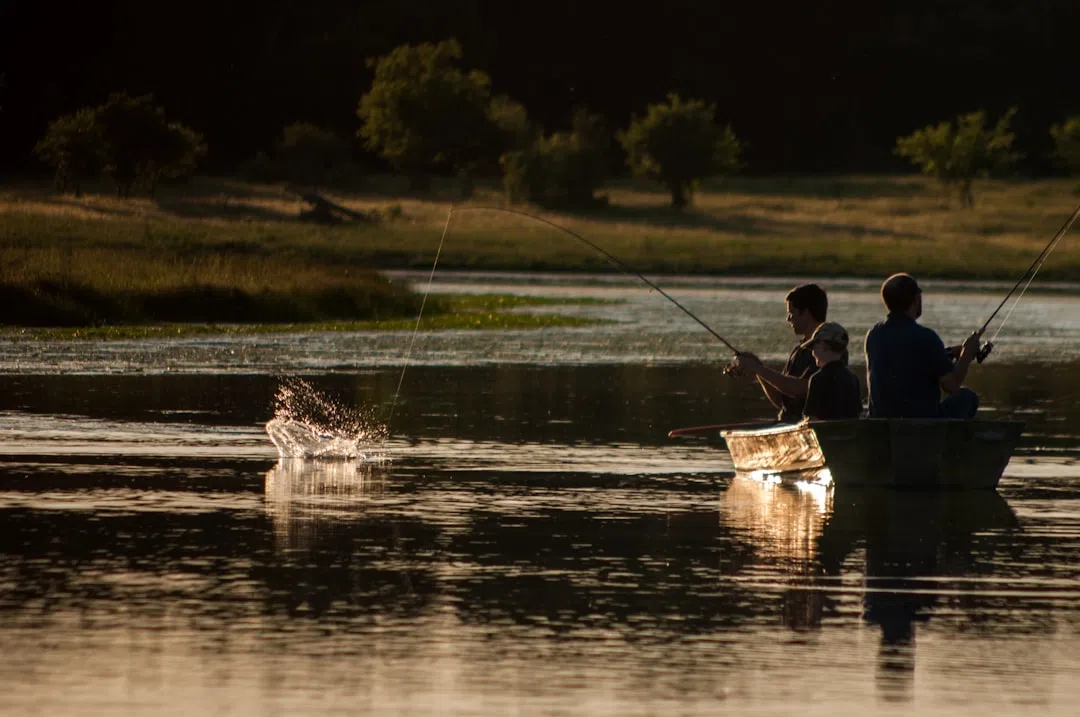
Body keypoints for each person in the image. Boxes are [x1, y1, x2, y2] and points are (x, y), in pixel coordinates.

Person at [864, 273, 981, 419]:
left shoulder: (874, 335)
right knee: (967, 397)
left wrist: (950, 353)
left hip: (881, 422)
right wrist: (967, 355)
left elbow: (906, 360)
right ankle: (948, 441)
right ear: (915, 299)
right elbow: (951, 385)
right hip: (922, 424)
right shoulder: (926, 337)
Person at [731, 283, 847, 422]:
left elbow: (801, 388)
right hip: (789, 424)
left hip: (812, 426)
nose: (788, 319)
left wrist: (759, 368)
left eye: (791, 313)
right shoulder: (799, 351)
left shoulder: (830, 349)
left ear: (806, 313)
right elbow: (783, 401)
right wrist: (758, 370)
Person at [801, 321, 863, 420]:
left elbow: (811, 419)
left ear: (825, 346)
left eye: (814, 346)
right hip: (848, 432)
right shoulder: (853, 378)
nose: (812, 352)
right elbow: (857, 414)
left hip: (824, 433)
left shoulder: (817, 379)